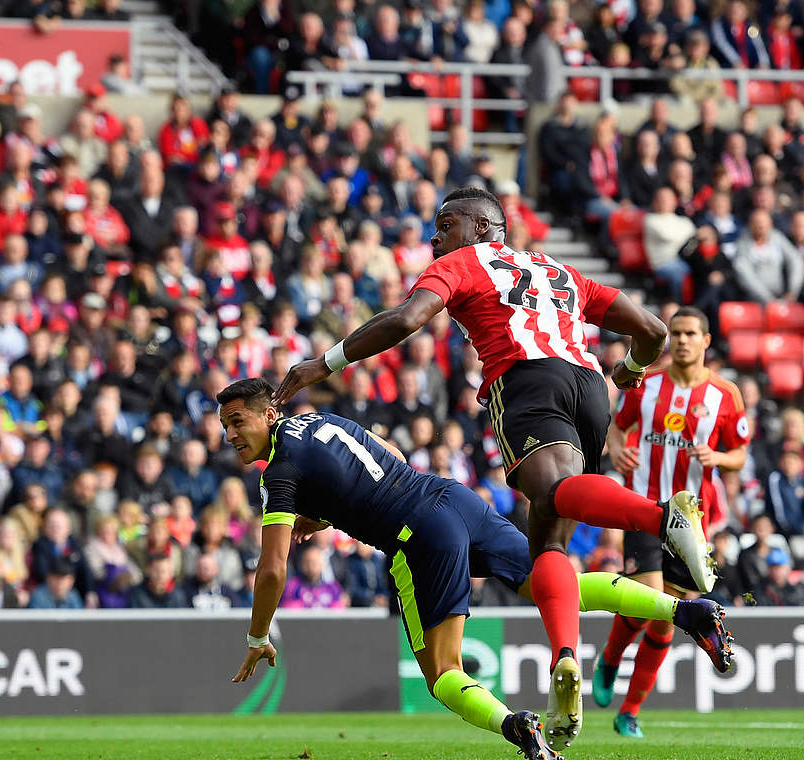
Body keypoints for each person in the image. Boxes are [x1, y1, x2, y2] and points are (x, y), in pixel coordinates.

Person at [271, 186, 716, 749]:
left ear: (483, 228)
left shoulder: (463, 262)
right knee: (550, 540)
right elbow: (651, 330)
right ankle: (565, 656)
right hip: (588, 389)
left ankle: (661, 519)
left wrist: (325, 362)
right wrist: (628, 370)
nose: (435, 237)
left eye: (445, 224)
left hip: (526, 382)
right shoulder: (557, 269)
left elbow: (406, 318)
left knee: (552, 499)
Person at [221, 380, 732, 759]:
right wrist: (330, 512)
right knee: (557, 587)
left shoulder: (280, 472)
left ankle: (518, 729)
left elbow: (271, 569)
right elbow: (389, 456)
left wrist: (257, 635)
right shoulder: (322, 421)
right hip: (452, 497)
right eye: (225, 426)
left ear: (269, 413)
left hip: (417, 536)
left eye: (239, 421)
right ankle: (687, 612)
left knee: (442, 674)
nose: (231, 434)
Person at [592, 307, 749, 739]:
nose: (681, 340)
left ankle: (630, 711)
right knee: (649, 596)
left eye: (690, 334)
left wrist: (717, 457)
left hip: (694, 521)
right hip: (644, 506)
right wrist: (618, 449)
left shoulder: (725, 394)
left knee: (664, 620)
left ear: (706, 340)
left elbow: (740, 453)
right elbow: (617, 429)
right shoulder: (646, 384)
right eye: (675, 333)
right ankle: (609, 657)